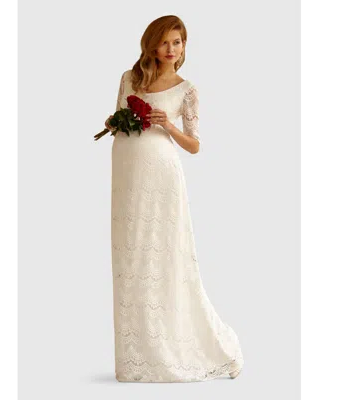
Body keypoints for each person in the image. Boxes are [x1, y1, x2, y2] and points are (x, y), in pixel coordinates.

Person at [110, 15, 244, 382]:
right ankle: (135, 358)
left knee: (163, 256)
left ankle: (182, 348)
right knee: (131, 255)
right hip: (126, 173)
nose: (171, 49)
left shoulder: (187, 89)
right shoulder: (130, 78)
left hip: (161, 175)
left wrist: (167, 124)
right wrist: (114, 122)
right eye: (165, 41)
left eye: (178, 42)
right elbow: (118, 120)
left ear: (184, 46)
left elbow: (195, 145)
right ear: (151, 44)